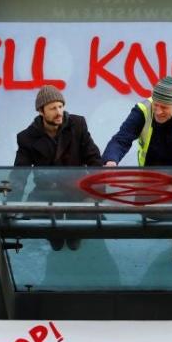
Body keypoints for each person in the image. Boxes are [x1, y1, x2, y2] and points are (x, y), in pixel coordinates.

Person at [13, 85, 102, 250]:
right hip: (47, 193)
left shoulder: (78, 125)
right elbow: (19, 174)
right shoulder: (27, 137)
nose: (59, 112)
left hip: (77, 191)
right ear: (41, 111)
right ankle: (55, 236)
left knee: (76, 239)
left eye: (61, 106)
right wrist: (9, 207)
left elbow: (94, 159)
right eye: (53, 108)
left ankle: (75, 235)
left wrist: (96, 195)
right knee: (54, 238)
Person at [102, 76, 172, 167]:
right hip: (150, 169)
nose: (158, 112)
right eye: (155, 104)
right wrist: (111, 160)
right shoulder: (142, 110)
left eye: (164, 107)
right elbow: (121, 140)